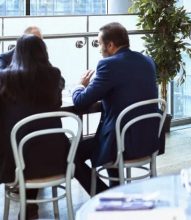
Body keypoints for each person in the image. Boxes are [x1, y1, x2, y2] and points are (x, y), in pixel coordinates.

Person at [72, 22, 161, 191]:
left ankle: (103, 195)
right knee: (112, 130)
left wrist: (80, 85)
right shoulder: (147, 61)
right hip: (148, 140)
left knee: (69, 155)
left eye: (99, 44)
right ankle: (115, 190)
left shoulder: (109, 65)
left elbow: (81, 101)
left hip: (121, 144)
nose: (98, 48)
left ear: (110, 45)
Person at [0, 35, 68, 219]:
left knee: (23, 143)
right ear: (43, 52)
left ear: (17, 53)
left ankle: (28, 208)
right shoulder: (53, 75)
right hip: (54, 157)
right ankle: (30, 208)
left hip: (16, 161)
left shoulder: (5, 77)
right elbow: (57, 103)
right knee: (38, 142)